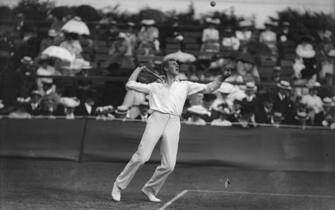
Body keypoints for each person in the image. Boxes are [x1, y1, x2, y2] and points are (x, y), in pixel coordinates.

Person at [111, 59, 231, 202]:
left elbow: (209, 88)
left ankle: (150, 189)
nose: (177, 66)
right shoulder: (154, 86)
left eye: (178, 64)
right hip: (156, 119)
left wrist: (222, 77)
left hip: (174, 121)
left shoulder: (185, 85)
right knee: (142, 157)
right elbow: (129, 84)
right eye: (174, 64)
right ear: (166, 69)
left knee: (169, 165)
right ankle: (118, 186)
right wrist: (138, 69)